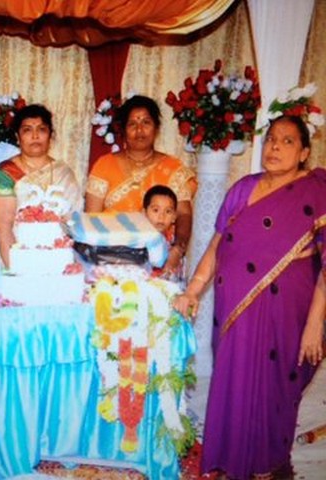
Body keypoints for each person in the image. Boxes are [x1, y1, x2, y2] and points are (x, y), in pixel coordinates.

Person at [173, 115, 326, 479]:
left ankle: (267, 465)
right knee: (235, 382)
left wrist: (314, 325)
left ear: (304, 152)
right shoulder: (242, 189)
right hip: (233, 309)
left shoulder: (317, 193)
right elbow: (216, 246)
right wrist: (193, 289)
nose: (275, 147)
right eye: (271, 139)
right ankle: (231, 460)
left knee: (274, 386)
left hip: (286, 310)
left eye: (287, 141)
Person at [85, 95, 197, 273]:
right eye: (132, 124)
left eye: (146, 122)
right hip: (110, 261)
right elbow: (92, 220)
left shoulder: (173, 168)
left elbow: (184, 214)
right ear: (123, 130)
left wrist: (177, 249)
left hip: (161, 259)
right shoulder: (104, 165)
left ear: (156, 128)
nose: (140, 130)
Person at [0, 104, 82, 268]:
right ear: (18, 136)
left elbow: (74, 223)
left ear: (50, 135)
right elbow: (2, 229)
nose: (35, 136)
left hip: (58, 260)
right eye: (27, 130)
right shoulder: (4, 174)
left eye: (42, 129)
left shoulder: (64, 173)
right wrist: (18, 270)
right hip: (14, 258)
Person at [142, 185, 182, 279]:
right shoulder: (138, 241)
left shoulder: (174, 245)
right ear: (144, 213)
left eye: (168, 211)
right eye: (155, 210)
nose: (161, 217)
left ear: (174, 217)